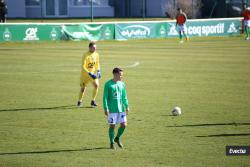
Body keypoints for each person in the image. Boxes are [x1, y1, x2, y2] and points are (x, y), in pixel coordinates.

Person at [103, 68, 129, 150]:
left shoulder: (122, 84)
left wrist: (127, 106)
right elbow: (105, 98)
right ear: (115, 74)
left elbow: (124, 96)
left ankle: (117, 138)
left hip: (121, 109)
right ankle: (111, 142)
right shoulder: (108, 84)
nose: (122, 76)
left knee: (124, 125)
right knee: (112, 126)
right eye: (121, 75)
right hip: (112, 109)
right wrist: (106, 108)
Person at [77, 41, 101, 108]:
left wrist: (98, 70)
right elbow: (83, 66)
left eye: (95, 47)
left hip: (92, 74)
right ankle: (79, 101)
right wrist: (89, 73)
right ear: (89, 47)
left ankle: (93, 101)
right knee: (83, 88)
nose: (95, 49)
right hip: (85, 75)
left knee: (96, 85)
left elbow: (97, 63)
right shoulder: (85, 55)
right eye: (93, 47)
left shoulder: (96, 54)